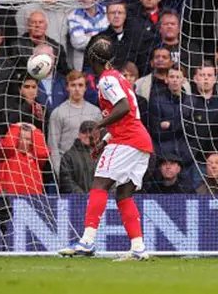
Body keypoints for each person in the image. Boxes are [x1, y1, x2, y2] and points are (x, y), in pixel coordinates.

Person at [59, 38, 153, 261]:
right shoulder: (118, 77)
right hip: (139, 140)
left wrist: (99, 126)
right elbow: (130, 114)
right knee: (123, 194)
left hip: (128, 140)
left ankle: (87, 242)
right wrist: (105, 141)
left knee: (99, 183)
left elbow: (123, 107)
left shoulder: (106, 81)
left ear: (91, 58)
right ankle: (138, 248)